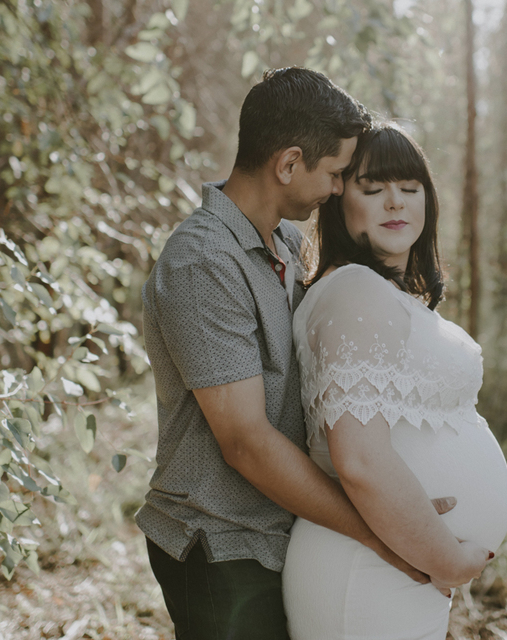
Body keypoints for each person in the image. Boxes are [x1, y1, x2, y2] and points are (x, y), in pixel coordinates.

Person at [135, 69, 442, 640]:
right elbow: (244, 442)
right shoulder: (203, 262)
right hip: (221, 543)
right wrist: (378, 532)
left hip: (283, 536)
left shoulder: (286, 244)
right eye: (333, 174)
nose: (335, 190)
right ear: (288, 163)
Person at [282, 122, 507, 640]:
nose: (395, 203)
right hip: (368, 570)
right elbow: (360, 459)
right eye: (373, 188)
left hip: (396, 564)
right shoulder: (354, 292)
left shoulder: (384, 295)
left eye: (410, 189)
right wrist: (447, 560)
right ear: (340, 201)